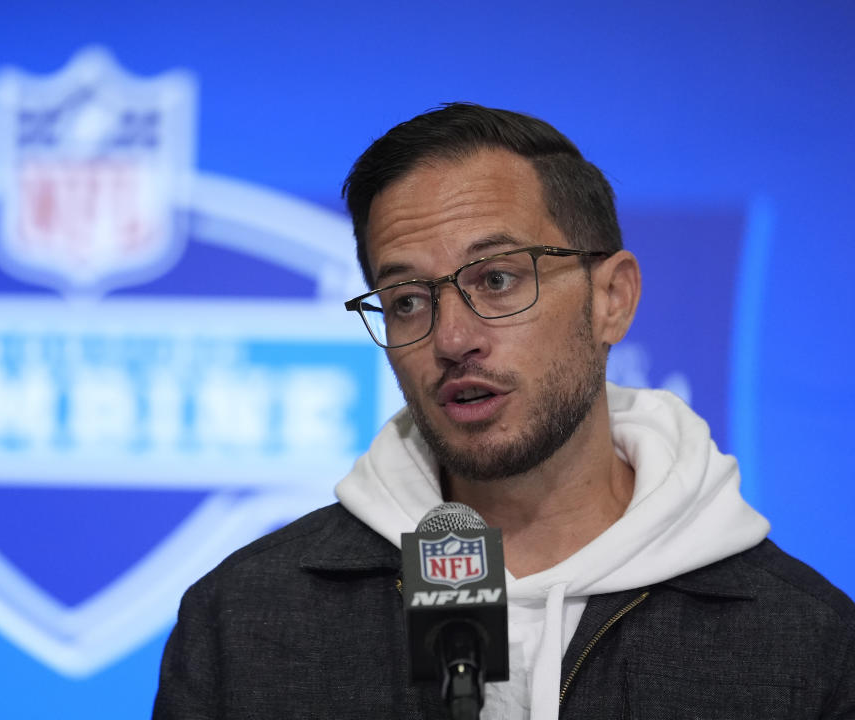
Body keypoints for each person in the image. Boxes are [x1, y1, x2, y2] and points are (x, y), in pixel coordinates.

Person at [153, 103, 855, 719]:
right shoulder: (245, 620)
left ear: (611, 298)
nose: (453, 339)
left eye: (497, 279)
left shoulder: (804, 643)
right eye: (406, 301)